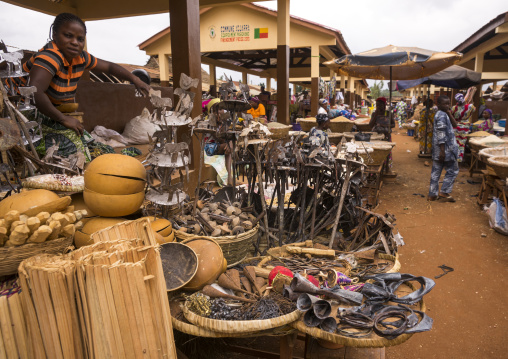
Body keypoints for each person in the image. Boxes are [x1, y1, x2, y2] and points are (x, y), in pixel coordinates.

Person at [22, 13, 151, 162]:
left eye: (80, 39)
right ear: (55, 35)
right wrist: (63, 119)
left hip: (51, 114)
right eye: (68, 36)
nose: (75, 42)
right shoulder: (49, 57)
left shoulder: (80, 57)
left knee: (89, 144)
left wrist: (134, 79)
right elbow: (34, 92)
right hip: (27, 115)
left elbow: (108, 67)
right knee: (74, 153)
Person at [428, 95, 459, 202]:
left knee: (436, 171)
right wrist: (442, 151)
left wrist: (449, 112)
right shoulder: (441, 115)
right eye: (445, 104)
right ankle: (444, 191)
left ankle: (432, 194)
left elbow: (455, 124)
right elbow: (441, 133)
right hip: (445, 150)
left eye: (448, 103)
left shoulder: (444, 113)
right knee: (453, 170)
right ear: (438, 104)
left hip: (441, 150)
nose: (447, 105)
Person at [369, 97, 396, 175]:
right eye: (377, 105)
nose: (379, 107)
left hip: (386, 136)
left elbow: (393, 125)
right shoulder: (374, 114)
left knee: (386, 153)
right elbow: (370, 125)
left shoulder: (388, 113)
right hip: (376, 137)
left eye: (380, 105)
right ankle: (375, 170)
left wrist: (386, 125)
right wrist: (375, 115)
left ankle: (386, 168)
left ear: (384, 105)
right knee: (376, 153)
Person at [451, 92, 475, 162]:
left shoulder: (454, 108)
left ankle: (452, 158)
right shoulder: (470, 107)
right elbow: (474, 110)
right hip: (464, 128)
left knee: (454, 143)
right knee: (461, 144)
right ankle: (459, 158)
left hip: (455, 127)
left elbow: (451, 115)